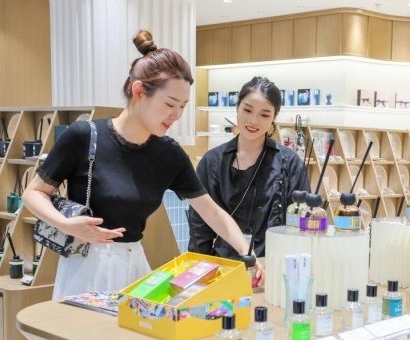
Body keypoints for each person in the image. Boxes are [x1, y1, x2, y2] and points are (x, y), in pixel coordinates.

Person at [23, 30, 263, 299]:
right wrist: (67, 225)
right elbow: (33, 193)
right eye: (170, 104)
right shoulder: (84, 136)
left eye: (183, 106)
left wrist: (248, 253)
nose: (176, 115)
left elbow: (212, 212)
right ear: (139, 91)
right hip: (85, 265)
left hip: (136, 264)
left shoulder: (169, 154)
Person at [188, 76, 310, 258]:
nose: (254, 121)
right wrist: (201, 267)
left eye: (264, 115)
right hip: (226, 267)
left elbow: (302, 224)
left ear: (274, 117)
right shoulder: (212, 161)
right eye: (247, 110)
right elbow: (200, 228)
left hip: (273, 264)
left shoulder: (290, 162)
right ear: (237, 105)